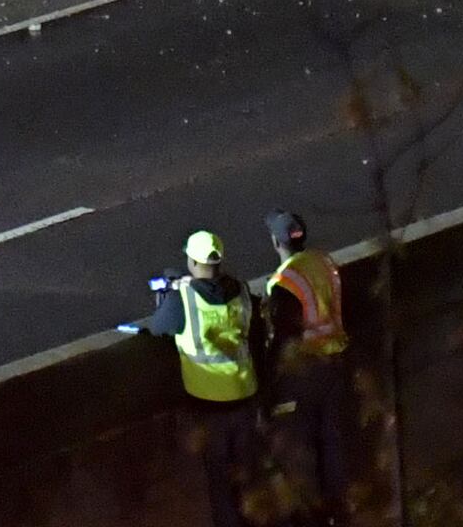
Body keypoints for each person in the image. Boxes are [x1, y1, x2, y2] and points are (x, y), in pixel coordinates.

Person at [121, 228, 263, 525]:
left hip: (209, 400)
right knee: (248, 474)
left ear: (193, 263)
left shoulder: (182, 299)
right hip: (245, 391)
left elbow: (160, 328)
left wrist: (170, 294)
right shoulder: (241, 290)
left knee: (220, 477)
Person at [261, 209, 358, 521]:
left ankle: (314, 513)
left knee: (305, 443)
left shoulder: (285, 282)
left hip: (307, 370)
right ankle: (337, 509)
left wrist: (269, 383)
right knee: (334, 441)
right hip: (336, 361)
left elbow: (284, 339)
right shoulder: (323, 263)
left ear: (277, 242)